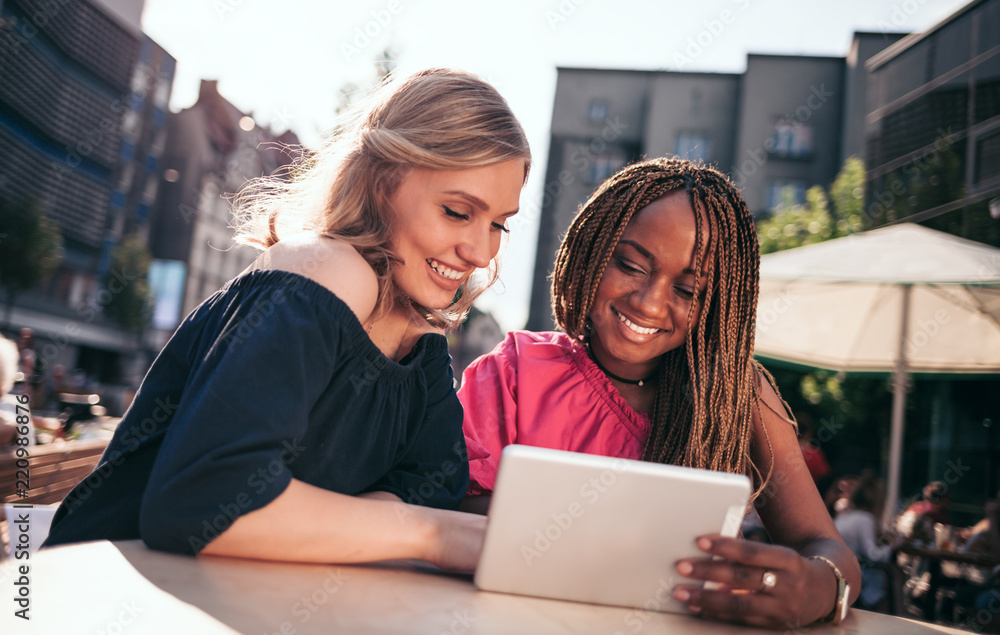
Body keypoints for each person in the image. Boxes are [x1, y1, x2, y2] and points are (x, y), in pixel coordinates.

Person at [44, 68, 531, 572]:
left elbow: (429, 494)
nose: (479, 251)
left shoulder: (421, 336)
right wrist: (429, 535)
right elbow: (206, 503)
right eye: (457, 211)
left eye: (498, 223)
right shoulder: (330, 268)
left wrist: (411, 524)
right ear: (384, 182)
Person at [458, 157, 861, 628]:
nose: (649, 302)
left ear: (716, 305)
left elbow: (828, 548)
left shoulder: (732, 397)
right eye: (630, 265)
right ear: (593, 249)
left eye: (688, 291)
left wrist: (818, 586)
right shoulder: (514, 372)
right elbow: (460, 512)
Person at [833, 474, 900, 610]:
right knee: (895, 573)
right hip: (853, 574)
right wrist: (893, 545)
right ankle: (897, 618)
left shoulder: (846, 515)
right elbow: (873, 555)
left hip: (839, 571)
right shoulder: (865, 519)